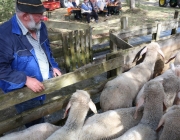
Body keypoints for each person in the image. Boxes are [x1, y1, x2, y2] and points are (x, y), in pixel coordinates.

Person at [0, 0, 61, 128]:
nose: (43, 17)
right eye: (39, 14)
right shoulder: (4, 35)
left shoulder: (40, 27)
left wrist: (53, 66)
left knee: (41, 114)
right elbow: (1, 69)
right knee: (35, 126)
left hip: (43, 86)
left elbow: (47, 50)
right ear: (25, 16)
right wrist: (25, 79)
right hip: (24, 93)